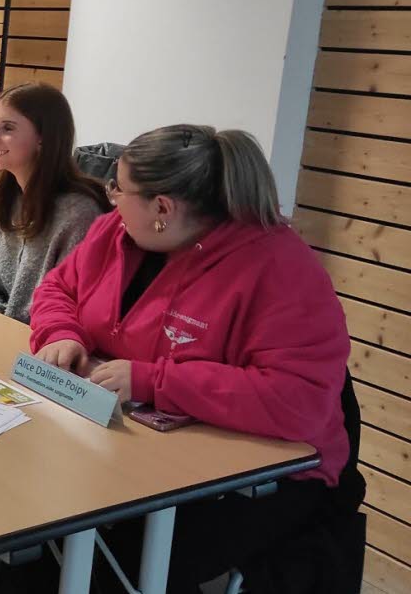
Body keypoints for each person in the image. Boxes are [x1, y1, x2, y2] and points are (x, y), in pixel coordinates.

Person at [29, 125, 363, 592]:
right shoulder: (115, 232)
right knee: (35, 514)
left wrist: (152, 381)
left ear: (162, 209)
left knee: (109, 562)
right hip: (132, 445)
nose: (110, 197)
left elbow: (298, 400)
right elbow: (57, 288)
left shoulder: (279, 269)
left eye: (118, 188)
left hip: (266, 477)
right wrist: (61, 332)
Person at [0, 82, 108, 323]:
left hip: (45, 338)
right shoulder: (1, 199)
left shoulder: (79, 213)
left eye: (7, 128)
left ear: (43, 138)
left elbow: (71, 305)